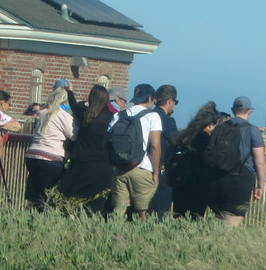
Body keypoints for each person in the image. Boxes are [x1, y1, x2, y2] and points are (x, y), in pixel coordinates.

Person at [204, 95, 266, 226]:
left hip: (217, 179)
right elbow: (260, 162)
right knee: (232, 224)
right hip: (240, 180)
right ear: (249, 111)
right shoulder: (253, 131)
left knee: (219, 221)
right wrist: (260, 185)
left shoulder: (220, 128)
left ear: (233, 110)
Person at [107, 83, 162, 222]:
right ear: (150, 99)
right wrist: (156, 171)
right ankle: (141, 240)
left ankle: (112, 237)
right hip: (142, 168)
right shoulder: (153, 116)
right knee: (143, 212)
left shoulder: (119, 115)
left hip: (120, 169)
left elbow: (106, 141)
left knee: (118, 211)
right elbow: (155, 145)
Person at [57, 84, 114, 215]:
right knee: (97, 204)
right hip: (102, 165)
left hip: (80, 163)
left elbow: (74, 105)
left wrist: (70, 92)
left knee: (74, 199)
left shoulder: (85, 114)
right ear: (106, 99)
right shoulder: (111, 118)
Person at [166, 101, 221, 219]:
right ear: (210, 125)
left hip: (179, 183)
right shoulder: (206, 140)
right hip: (197, 186)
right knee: (194, 219)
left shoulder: (186, 136)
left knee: (178, 217)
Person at [24, 87, 75, 210]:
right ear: (64, 102)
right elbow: (74, 135)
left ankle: (31, 211)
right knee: (48, 194)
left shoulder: (42, 112)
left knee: (36, 189)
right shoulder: (62, 115)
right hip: (51, 158)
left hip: (32, 156)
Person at [148, 84, 179, 219]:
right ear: (170, 101)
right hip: (160, 169)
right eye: (175, 102)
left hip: (140, 166)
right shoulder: (168, 121)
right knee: (159, 211)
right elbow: (175, 145)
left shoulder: (147, 115)